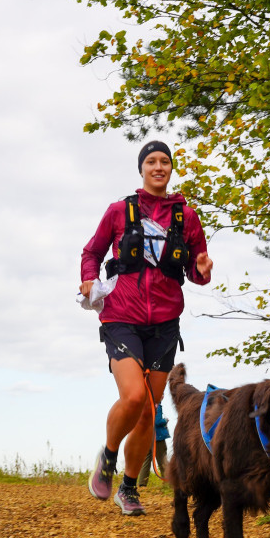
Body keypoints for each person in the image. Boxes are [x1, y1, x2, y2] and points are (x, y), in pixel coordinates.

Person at [80, 140, 213, 516]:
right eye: (151, 161)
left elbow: (195, 269)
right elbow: (92, 252)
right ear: (142, 169)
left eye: (164, 161)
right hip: (121, 317)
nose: (158, 167)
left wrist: (202, 270)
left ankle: (128, 488)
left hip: (165, 324)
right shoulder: (119, 211)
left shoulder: (186, 217)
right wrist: (89, 278)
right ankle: (108, 458)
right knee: (134, 396)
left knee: (147, 411)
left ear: (170, 169)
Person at [137, 403, 170, 488]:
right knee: (162, 459)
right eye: (162, 395)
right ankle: (168, 482)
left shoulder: (144, 405)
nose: (162, 396)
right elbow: (157, 422)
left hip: (146, 436)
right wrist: (165, 420)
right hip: (157, 437)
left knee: (146, 460)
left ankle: (142, 484)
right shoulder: (157, 406)